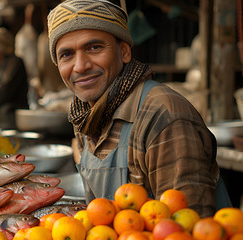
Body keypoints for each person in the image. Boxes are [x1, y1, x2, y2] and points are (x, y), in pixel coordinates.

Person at [47, 0, 229, 217]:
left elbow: (186, 226)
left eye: (94, 47)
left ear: (124, 52)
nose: (80, 66)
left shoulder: (163, 116)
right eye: (66, 54)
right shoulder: (85, 116)